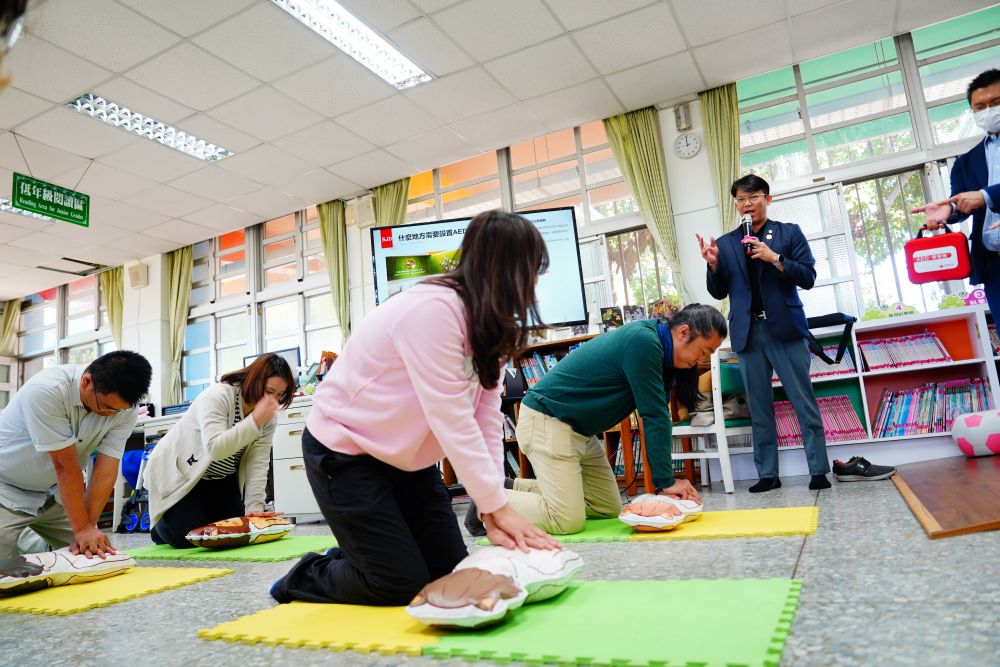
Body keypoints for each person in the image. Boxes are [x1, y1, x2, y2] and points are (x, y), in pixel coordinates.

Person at [269, 210, 560, 607]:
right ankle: (307, 574)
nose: (534, 286)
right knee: (397, 584)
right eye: (531, 273)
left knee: (448, 575)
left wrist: (490, 508)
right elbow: (452, 418)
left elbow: (485, 420)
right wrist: (498, 508)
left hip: (406, 461)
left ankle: (367, 553)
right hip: (345, 453)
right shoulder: (434, 310)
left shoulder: (491, 327)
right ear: (504, 269)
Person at [468, 304, 725, 537]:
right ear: (683, 332)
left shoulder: (662, 354)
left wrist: (663, 485)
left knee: (605, 507)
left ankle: (508, 486)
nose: (700, 360)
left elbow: (659, 416)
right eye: (703, 351)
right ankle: (486, 501)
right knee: (565, 520)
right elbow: (654, 416)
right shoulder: (644, 342)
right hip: (548, 420)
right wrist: (667, 482)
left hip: (579, 431)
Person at [699, 174, 834, 492]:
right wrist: (713, 265)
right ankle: (768, 474)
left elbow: (808, 277)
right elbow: (718, 291)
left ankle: (818, 470)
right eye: (740, 200)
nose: (746, 204)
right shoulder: (726, 243)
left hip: (785, 329)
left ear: (767, 199)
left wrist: (775, 258)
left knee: (803, 401)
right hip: (748, 333)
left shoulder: (789, 233)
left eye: (753, 197)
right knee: (759, 407)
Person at [0, 350, 152, 559]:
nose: (110, 415)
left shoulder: (125, 410)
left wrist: (87, 528)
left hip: (57, 492)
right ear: (86, 382)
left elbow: (105, 472)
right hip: (7, 488)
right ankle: (21, 538)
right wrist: (81, 529)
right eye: (106, 407)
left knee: (89, 555)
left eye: (117, 411)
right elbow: (65, 466)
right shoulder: (46, 390)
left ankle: (33, 542)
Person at [145, 353, 296, 548]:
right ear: (254, 381)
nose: (273, 400)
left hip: (221, 479)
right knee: (187, 539)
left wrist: (254, 509)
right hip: (183, 476)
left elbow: (257, 463)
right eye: (269, 391)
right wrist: (255, 420)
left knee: (234, 534)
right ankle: (161, 525)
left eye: (279, 395)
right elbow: (215, 448)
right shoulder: (218, 396)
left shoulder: (267, 418)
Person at [912, 69, 1000, 316]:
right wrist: (948, 210)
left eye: (995, 102)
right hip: (994, 266)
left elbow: (980, 197)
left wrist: (985, 195)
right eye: (980, 107)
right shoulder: (966, 162)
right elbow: (962, 201)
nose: (988, 111)